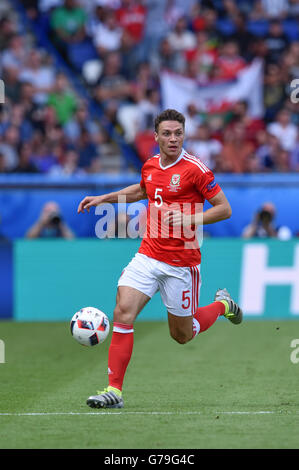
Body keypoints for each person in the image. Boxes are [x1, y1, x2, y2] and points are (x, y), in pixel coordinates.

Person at [78, 108, 242, 409]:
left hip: (182, 263)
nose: (173, 138)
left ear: (184, 135)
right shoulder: (151, 165)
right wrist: (104, 198)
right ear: (155, 137)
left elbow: (225, 209)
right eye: (166, 133)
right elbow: (142, 190)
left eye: (178, 133)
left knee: (182, 335)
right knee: (123, 312)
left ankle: (222, 305)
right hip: (148, 254)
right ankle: (114, 390)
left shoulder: (196, 170)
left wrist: (187, 218)